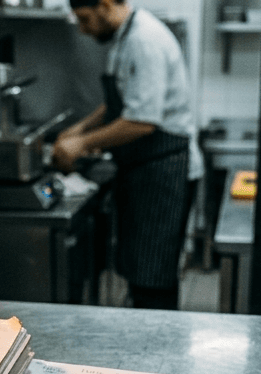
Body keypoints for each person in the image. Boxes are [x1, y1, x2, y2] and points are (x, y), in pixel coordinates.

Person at [53, 0, 203, 310]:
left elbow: (141, 121)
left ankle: (157, 350)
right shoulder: (126, 37)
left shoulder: (143, 41)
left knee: (153, 277)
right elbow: (119, 102)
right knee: (142, 272)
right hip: (144, 168)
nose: (82, 29)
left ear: (105, 5)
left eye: (84, 19)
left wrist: (80, 145)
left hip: (164, 172)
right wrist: (78, 130)